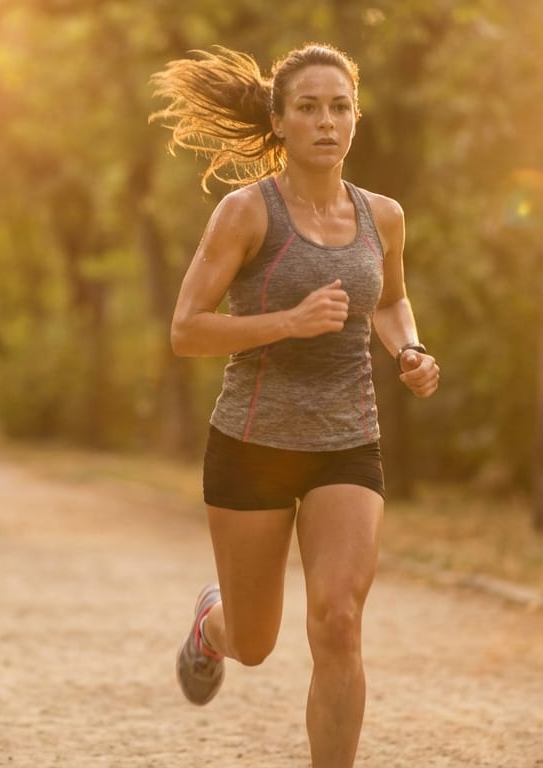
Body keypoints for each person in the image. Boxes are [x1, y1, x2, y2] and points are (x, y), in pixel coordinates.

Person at [150, 43, 440, 767]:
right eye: (308, 108)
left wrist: (408, 349)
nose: (325, 121)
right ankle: (210, 628)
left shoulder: (385, 217)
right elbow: (186, 330)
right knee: (254, 644)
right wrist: (286, 321)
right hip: (253, 443)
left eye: (339, 107)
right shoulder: (247, 213)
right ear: (279, 121)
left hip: (348, 441)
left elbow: (394, 300)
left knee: (339, 621)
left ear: (355, 118)